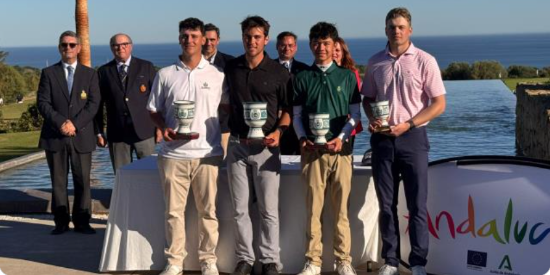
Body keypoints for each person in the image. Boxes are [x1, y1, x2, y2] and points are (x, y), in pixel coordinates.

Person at [361, 7, 446, 275]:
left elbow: (439, 103)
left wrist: (409, 124)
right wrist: (373, 119)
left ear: (410, 30)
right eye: (391, 27)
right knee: (386, 205)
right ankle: (391, 261)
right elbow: (368, 98)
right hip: (382, 141)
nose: (396, 31)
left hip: (413, 139)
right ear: (385, 30)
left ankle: (418, 262)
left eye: (400, 26)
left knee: (416, 205)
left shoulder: (425, 60)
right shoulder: (375, 62)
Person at [147, 18, 226, 275]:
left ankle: (208, 260)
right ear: (179, 39)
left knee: (208, 212)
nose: (189, 40)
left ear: (204, 39)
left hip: (207, 153)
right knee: (173, 213)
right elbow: (153, 109)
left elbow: (226, 109)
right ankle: (175, 262)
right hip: (173, 155)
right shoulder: (165, 74)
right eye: (185, 36)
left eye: (194, 36)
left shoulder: (217, 75)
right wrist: (163, 127)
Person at [222, 15, 291, 275]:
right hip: (238, 147)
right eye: (248, 37)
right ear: (242, 38)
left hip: (267, 149)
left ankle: (271, 261)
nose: (252, 41)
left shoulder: (278, 72)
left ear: (266, 40)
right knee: (239, 209)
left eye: (257, 37)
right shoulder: (232, 68)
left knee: (268, 210)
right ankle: (245, 260)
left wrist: (279, 132)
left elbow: (287, 110)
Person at [293, 22, 361, 275]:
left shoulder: (347, 76)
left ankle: (343, 260)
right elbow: (297, 115)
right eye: (316, 43)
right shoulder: (302, 78)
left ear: (335, 46)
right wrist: (301, 138)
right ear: (311, 45)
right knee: (313, 210)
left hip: (341, 153)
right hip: (312, 153)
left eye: (326, 43)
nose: (321, 47)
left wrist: (342, 137)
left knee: (341, 210)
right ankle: (313, 261)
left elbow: (355, 114)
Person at [37, 30, 100, 235]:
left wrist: (74, 124)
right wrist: (61, 123)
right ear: (59, 48)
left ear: (79, 48)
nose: (68, 48)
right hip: (55, 136)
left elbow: (94, 104)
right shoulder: (48, 73)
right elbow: (43, 103)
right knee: (58, 181)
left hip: (81, 135)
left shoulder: (90, 74)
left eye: (72, 45)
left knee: (83, 181)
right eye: (64, 45)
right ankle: (61, 222)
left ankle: (82, 221)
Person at [95, 33, 159, 173]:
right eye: (116, 45)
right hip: (117, 133)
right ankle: (124, 197)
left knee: (150, 173)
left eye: (124, 44)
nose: (120, 48)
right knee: (122, 175)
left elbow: (157, 99)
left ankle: (147, 196)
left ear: (131, 46)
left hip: (145, 131)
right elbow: (98, 105)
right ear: (112, 48)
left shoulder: (146, 67)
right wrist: (99, 133)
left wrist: (159, 127)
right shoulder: (103, 72)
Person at [274, 31, 309, 155]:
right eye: (283, 45)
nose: (287, 48)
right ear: (277, 46)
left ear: (296, 47)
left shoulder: (305, 70)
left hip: (300, 124)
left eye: (290, 45)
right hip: (275, 123)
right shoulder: (268, 68)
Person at [202, 23, 235, 155]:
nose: (208, 43)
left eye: (212, 40)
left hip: (223, 127)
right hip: (198, 128)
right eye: (205, 39)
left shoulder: (230, 63)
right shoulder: (191, 63)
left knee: (223, 170)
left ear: (218, 40)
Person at [333, 37, 363, 149]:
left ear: (343, 53)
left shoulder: (351, 73)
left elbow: (355, 100)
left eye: (337, 50)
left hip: (347, 124)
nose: (334, 53)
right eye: (332, 50)